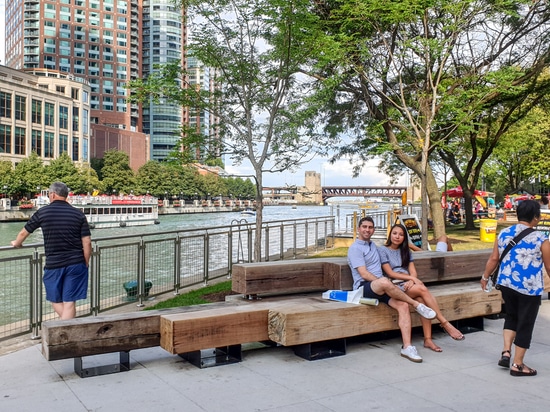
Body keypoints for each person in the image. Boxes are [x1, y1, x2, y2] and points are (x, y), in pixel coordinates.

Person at [347, 216, 437, 363]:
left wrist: (390, 283)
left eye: (370, 227)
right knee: (386, 283)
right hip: (364, 288)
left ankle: (407, 347)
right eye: (364, 227)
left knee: (403, 305)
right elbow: (363, 274)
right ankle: (417, 305)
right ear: (358, 229)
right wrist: (386, 283)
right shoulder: (355, 249)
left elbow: (394, 249)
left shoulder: (374, 247)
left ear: (374, 230)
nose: (367, 230)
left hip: (382, 287)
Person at [480, 200, 550, 377]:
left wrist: (485, 277)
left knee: (511, 316)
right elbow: (549, 266)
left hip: (507, 284)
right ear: (535, 217)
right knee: (525, 323)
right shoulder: (541, 238)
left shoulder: (504, 233)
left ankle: (506, 352)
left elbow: (494, 259)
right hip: (529, 287)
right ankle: (518, 365)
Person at [11, 182, 91, 320]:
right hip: (76, 262)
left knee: (55, 299)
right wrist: (86, 262)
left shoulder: (43, 212)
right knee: (69, 301)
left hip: (54, 263)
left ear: (53, 194)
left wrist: (17, 243)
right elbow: (87, 242)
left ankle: (63, 334)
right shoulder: (78, 214)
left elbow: (24, 233)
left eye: (49, 194)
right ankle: (67, 330)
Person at [379, 224, 465, 352]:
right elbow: (390, 273)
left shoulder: (406, 251)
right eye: (395, 233)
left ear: (404, 238)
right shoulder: (383, 250)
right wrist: (411, 279)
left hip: (408, 284)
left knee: (422, 299)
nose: (397, 237)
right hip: (394, 286)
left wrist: (412, 280)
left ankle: (428, 340)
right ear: (390, 234)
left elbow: (413, 272)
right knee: (423, 290)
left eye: (401, 235)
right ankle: (445, 323)